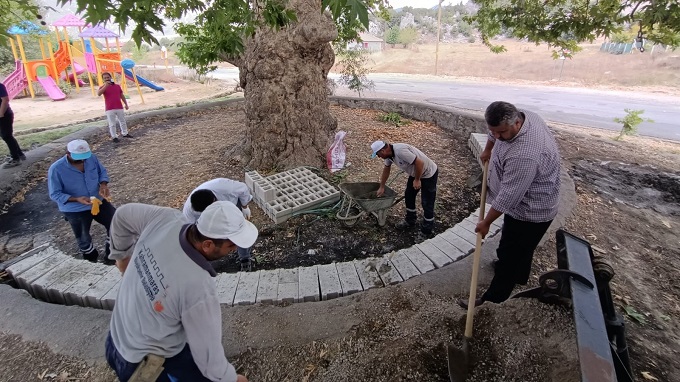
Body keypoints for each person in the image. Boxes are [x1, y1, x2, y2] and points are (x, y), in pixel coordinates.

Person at [105, 201, 256, 382]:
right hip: (140, 367)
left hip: (115, 337)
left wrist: (122, 258)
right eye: (230, 247)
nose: (233, 251)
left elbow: (122, 215)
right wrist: (232, 379)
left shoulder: (166, 218)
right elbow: (210, 361)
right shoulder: (198, 286)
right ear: (207, 245)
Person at [459, 101, 561, 309]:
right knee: (522, 249)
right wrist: (488, 149)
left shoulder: (524, 154)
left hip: (532, 210)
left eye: (501, 132)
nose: (497, 137)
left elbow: (509, 197)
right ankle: (519, 276)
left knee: (510, 254)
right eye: (493, 131)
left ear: (516, 123)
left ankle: (493, 300)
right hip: (528, 203)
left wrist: (486, 222)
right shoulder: (525, 116)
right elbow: (493, 133)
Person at [48, 139, 115, 263]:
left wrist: (103, 184)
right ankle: (91, 259)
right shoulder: (56, 169)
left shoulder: (92, 158)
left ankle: (111, 256)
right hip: (75, 208)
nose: (83, 161)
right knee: (83, 237)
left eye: (85, 157)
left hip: (98, 201)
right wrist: (76, 199)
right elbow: (55, 194)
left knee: (116, 223)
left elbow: (102, 172)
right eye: (79, 158)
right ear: (68, 153)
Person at [183, 178, 255, 271]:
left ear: (215, 199)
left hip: (231, 205)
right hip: (206, 222)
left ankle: (245, 258)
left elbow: (243, 188)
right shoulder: (190, 213)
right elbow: (193, 234)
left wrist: (245, 206)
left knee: (239, 231)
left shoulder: (225, 187)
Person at [371, 140, 439, 237]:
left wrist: (417, 180)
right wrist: (382, 186)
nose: (378, 157)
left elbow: (420, 163)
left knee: (427, 201)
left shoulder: (400, 151)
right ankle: (410, 220)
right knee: (409, 195)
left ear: (382, 151)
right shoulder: (389, 156)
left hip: (428, 173)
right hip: (416, 172)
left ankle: (426, 230)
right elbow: (386, 169)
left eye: (378, 154)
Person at [97, 72, 131, 143]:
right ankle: (114, 137)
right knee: (112, 123)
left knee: (122, 121)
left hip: (119, 106)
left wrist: (126, 104)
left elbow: (122, 95)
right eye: (105, 78)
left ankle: (125, 133)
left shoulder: (117, 86)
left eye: (108, 77)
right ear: (103, 79)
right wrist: (105, 86)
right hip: (109, 108)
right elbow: (99, 94)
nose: (107, 79)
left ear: (110, 77)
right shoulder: (102, 87)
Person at [0, 82, 25, 168]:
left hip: (5, 115)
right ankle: (20, 154)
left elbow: (5, 99)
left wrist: (1, 114)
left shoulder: (0, 86)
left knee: (6, 136)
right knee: (7, 136)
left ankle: (16, 158)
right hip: (3, 115)